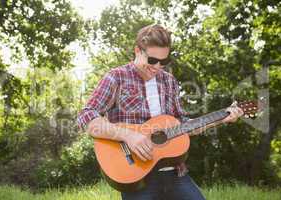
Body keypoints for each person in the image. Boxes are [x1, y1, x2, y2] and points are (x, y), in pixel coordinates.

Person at [77, 24, 243, 200]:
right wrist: (128, 136)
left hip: (175, 173)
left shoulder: (169, 81)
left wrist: (222, 118)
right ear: (137, 51)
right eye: (151, 60)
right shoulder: (117, 77)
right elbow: (86, 118)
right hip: (137, 175)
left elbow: (183, 126)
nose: (157, 67)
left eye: (163, 62)